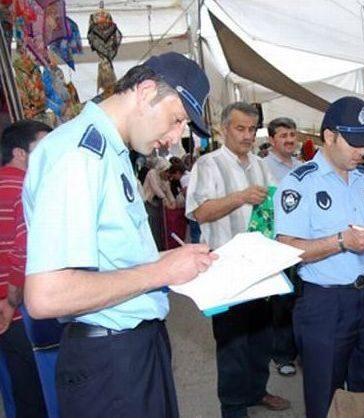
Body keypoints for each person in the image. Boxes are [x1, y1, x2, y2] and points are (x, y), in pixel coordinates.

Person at [23, 52, 217, 418]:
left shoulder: (113, 152)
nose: (175, 139)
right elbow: (47, 295)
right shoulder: (78, 155)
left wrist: (176, 261)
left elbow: (113, 260)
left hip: (135, 346)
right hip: (109, 362)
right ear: (145, 92)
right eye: (177, 120)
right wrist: (162, 272)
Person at [274, 96, 364, 418]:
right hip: (326, 305)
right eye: (354, 143)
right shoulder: (300, 183)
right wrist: (341, 242)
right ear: (329, 137)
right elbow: (287, 249)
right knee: (324, 395)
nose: (362, 152)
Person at [186, 102, 290, 418]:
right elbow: (200, 211)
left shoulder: (262, 166)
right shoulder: (208, 164)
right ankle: (232, 407)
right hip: (224, 270)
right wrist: (240, 197)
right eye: (239, 128)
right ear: (223, 129)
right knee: (231, 343)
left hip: (258, 268)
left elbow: (272, 210)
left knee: (261, 338)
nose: (246, 136)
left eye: (251, 129)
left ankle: (257, 391)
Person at [0, 120, 50, 418]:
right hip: (20, 310)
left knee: (17, 391)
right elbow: (25, 246)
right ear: (20, 153)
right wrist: (11, 298)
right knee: (37, 392)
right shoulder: (27, 187)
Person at [263, 117, 302, 377]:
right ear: (271, 140)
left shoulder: (302, 166)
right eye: (283, 135)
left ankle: (300, 350)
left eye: (292, 135)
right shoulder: (263, 167)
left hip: (303, 243)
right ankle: (282, 355)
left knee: (301, 298)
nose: (289, 140)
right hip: (277, 244)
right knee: (281, 302)